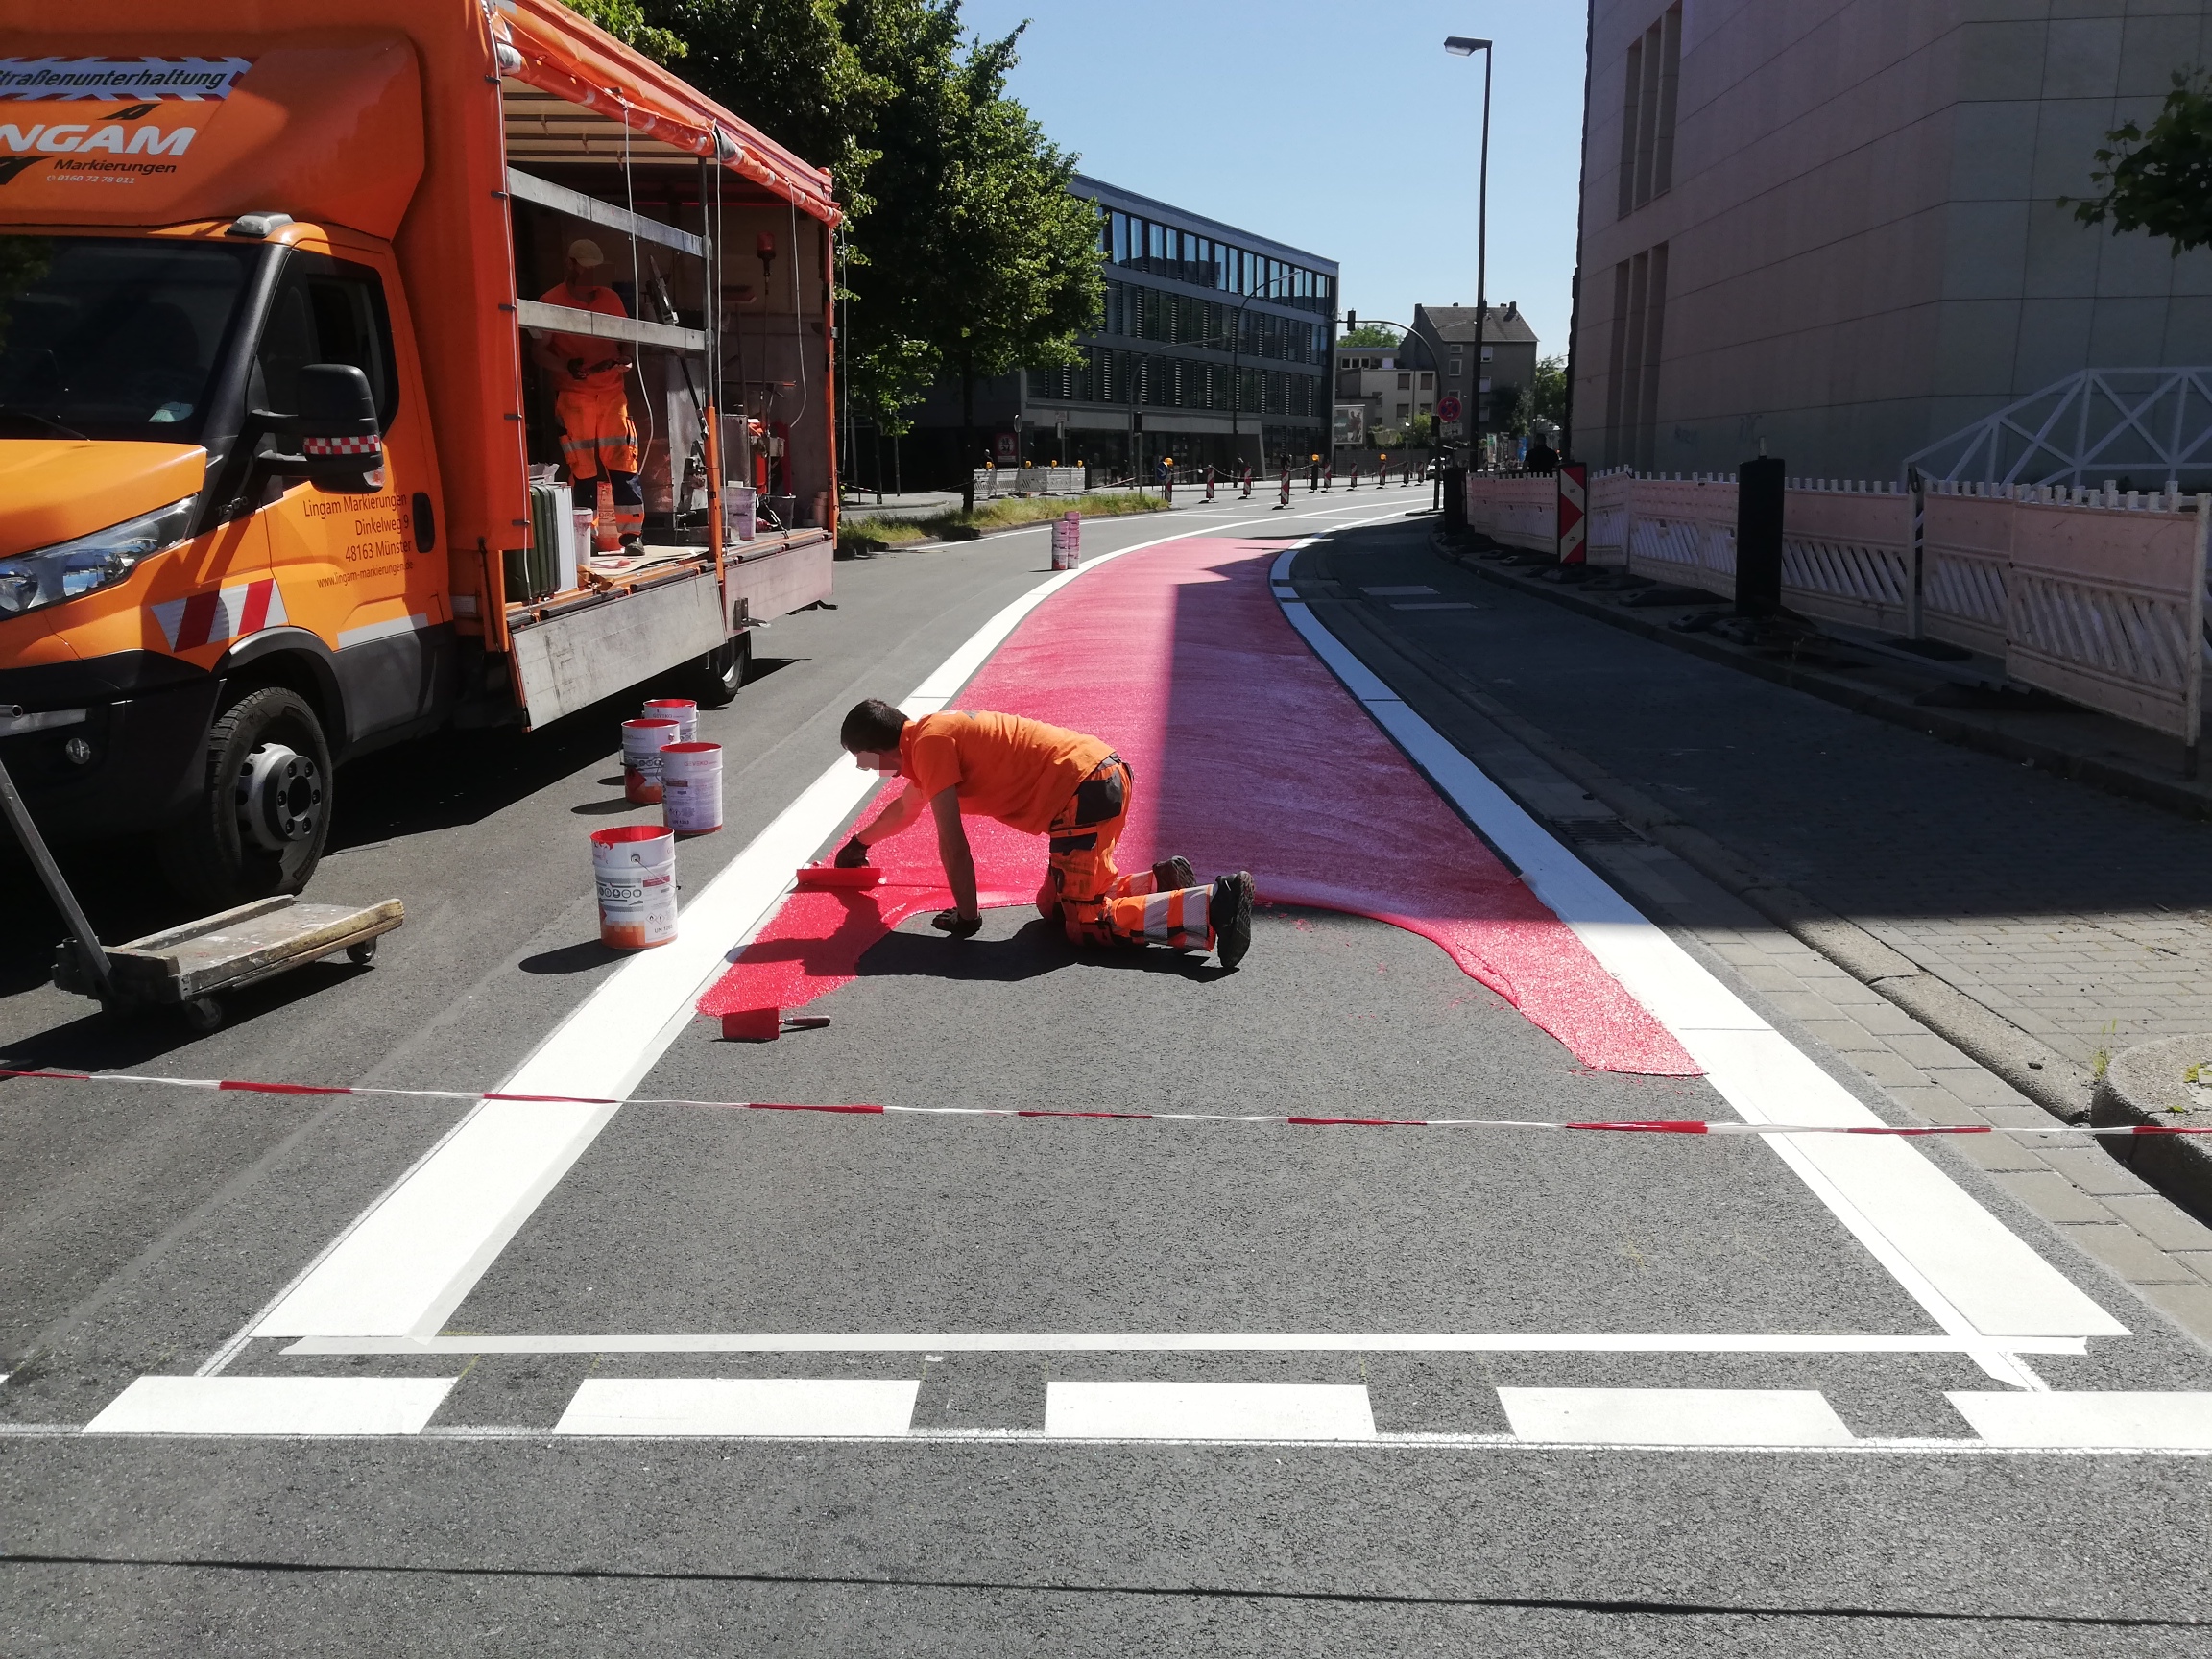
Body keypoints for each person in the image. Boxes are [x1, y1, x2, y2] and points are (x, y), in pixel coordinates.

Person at [833, 700, 1254, 969]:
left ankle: (1214, 904)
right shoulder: (927, 739)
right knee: (1049, 908)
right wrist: (859, 845)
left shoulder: (929, 746)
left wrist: (966, 916)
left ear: (878, 749)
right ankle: (1157, 884)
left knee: (1084, 925)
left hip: (1084, 793)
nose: (864, 769)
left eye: (863, 760)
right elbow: (905, 810)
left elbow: (953, 842)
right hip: (1094, 783)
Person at [530, 238, 643, 550]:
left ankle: (632, 535)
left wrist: (626, 358)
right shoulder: (550, 301)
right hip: (574, 395)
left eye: (597, 269)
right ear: (571, 265)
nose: (593, 277)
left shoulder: (610, 299)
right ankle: (588, 536)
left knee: (623, 461)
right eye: (587, 269)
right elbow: (538, 352)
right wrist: (567, 366)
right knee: (583, 468)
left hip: (611, 394)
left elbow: (626, 340)